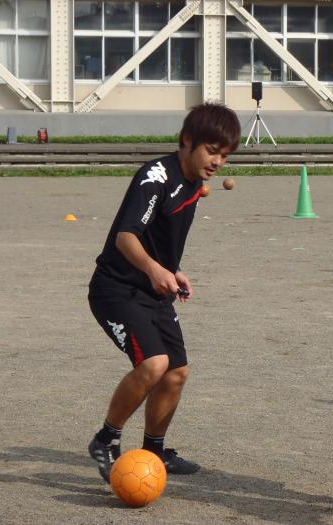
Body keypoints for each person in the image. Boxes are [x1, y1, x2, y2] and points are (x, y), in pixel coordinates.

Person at [87, 103, 241, 482]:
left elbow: (160, 238)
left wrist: (172, 271)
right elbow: (126, 237)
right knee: (154, 365)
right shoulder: (155, 177)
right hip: (116, 289)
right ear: (187, 141)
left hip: (153, 290)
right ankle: (106, 439)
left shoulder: (192, 181)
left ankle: (154, 451)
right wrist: (154, 269)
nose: (218, 161)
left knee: (176, 373)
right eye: (211, 150)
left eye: (225, 155)